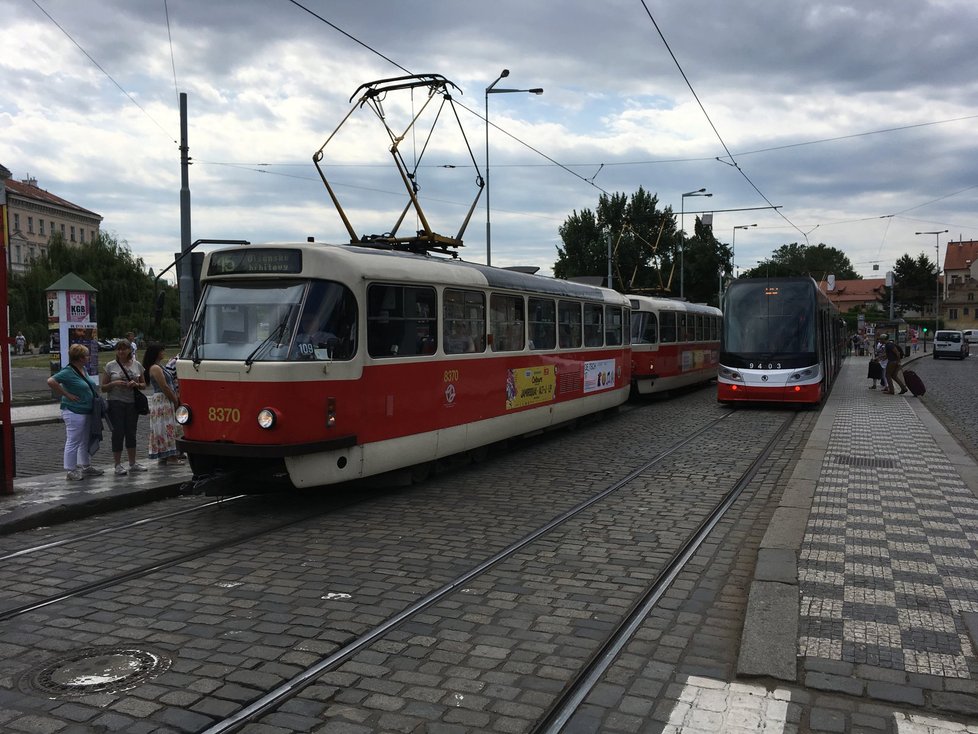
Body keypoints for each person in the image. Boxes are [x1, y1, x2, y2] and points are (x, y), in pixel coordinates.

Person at [47, 343, 105, 480]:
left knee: (85, 439)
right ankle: (70, 469)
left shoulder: (82, 369)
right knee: (73, 440)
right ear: (79, 358)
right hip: (74, 411)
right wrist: (66, 394)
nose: (88, 357)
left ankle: (86, 465)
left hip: (86, 409)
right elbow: (51, 381)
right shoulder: (68, 371)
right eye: (86, 355)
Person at [102, 339, 148, 475]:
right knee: (118, 432)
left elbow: (144, 384)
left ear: (130, 350)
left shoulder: (137, 365)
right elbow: (103, 387)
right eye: (118, 349)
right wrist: (114, 383)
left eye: (123, 349)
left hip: (132, 403)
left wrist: (136, 384)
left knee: (131, 432)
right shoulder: (110, 366)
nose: (121, 352)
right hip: (115, 402)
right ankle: (117, 464)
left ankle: (132, 462)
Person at [142, 342, 184, 465]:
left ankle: (165, 454)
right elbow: (164, 386)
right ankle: (171, 456)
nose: (163, 353)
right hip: (163, 400)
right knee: (168, 426)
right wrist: (174, 399)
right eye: (161, 351)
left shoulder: (159, 366)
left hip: (163, 400)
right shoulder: (155, 368)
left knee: (165, 426)